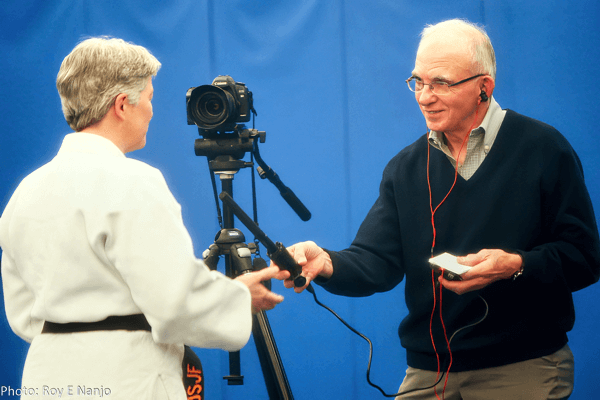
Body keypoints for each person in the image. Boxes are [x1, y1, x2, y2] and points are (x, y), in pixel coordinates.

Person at [275, 19, 600, 400]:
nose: (424, 96)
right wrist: (327, 262)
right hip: (428, 372)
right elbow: (376, 261)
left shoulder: (544, 149)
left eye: (441, 83)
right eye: (418, 81)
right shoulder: (406, 167)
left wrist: (515, 265)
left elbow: (583, 258)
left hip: (520, 367)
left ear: (484, 88)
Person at [0, 37, 289, 399]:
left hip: (46, 379)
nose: (152, 110)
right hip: (125, 378)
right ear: (123, 104)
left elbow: (23, 312)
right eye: (149, 98)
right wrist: (236, 296)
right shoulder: (133, 182)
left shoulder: (26, 192)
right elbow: (173, 303)